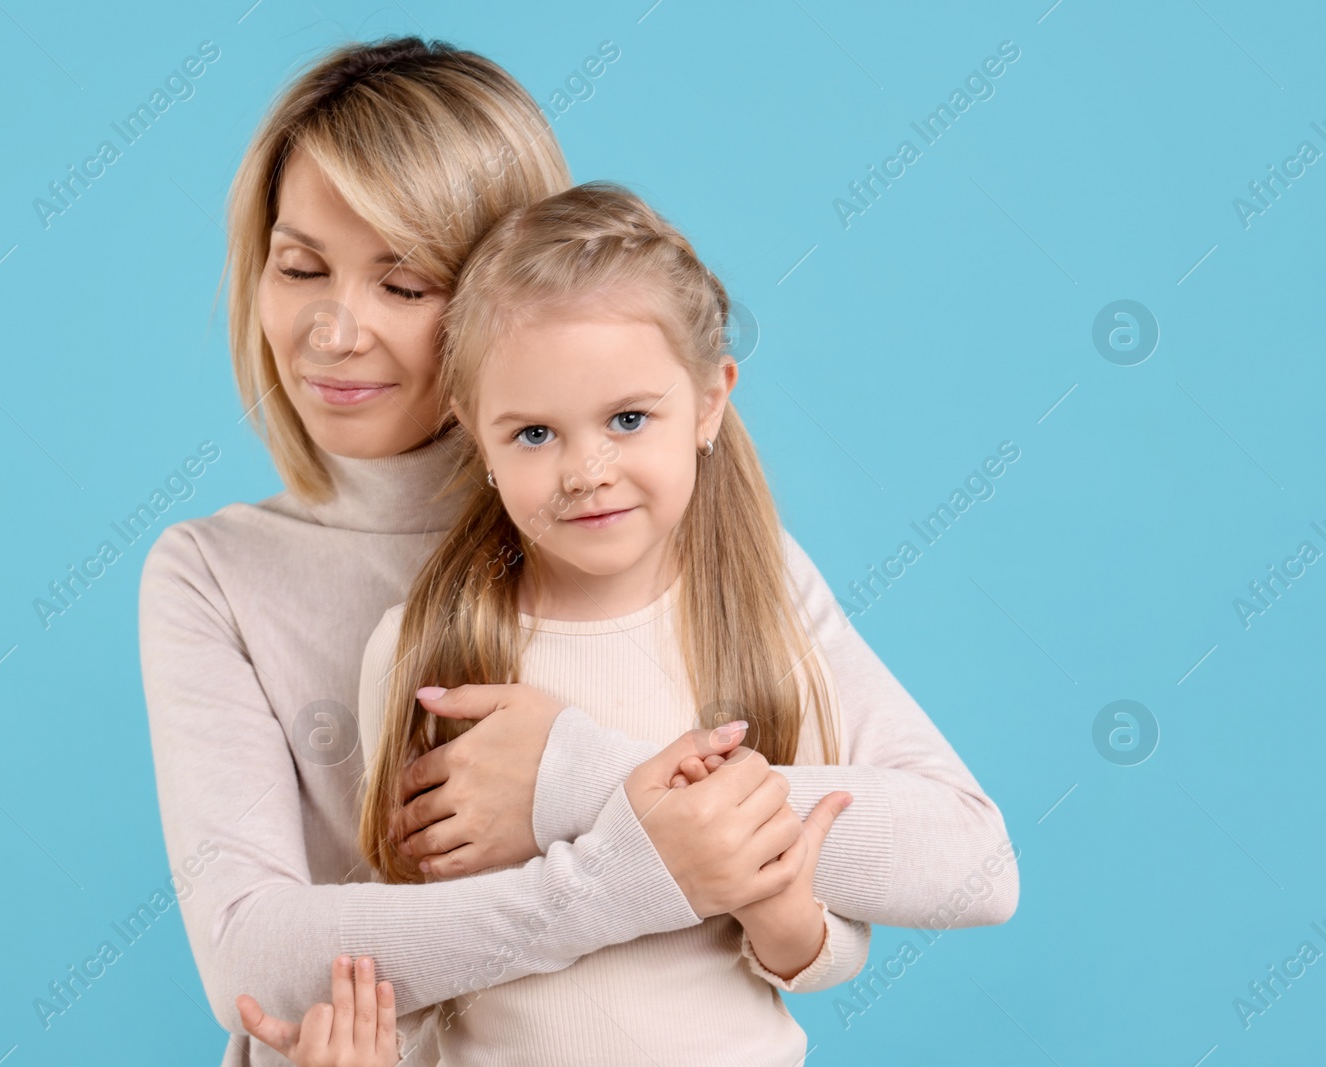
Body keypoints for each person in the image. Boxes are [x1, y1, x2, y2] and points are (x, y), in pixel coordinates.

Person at [139, 35, 1017, 1067]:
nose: (335, 330)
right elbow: (254, 961)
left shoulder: (690, 544)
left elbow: (963, 855)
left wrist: (578, 774)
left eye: (404, 284)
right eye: (298, 268)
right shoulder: (214, 574)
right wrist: (622, 873)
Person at [250, 182, 877, 1066]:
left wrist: (777, 907)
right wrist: (367, 1044)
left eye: (628, 418)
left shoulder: (761, 631)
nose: (587, 470)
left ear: (708, 401)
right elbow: (424, 944)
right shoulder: (429, 652)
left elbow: (831, 949)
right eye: (535, 434)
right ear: (476, 431)